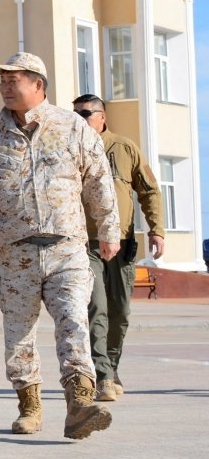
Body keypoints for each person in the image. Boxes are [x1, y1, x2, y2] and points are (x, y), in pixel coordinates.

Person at [0, 52, 119, 440]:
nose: (6, 88)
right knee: (19, 332)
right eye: (3, 82)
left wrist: (109, 229)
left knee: (74, 320)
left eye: (15, 81)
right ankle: (30, 405)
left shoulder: (74, 128)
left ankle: (80, 402)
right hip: (14, 252)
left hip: (68, 249)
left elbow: (99, 181)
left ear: (38, 85)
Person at [72, 93, 165, 401]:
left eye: (85, 113)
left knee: (120, 310)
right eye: (75, 114)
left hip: (123, 243)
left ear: (102, 117)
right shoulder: (68, 150)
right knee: (96, 307)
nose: (80, 119)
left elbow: (149, 190)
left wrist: (157, 231)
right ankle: (102, 377)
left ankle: (110, 367)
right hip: (86, 245)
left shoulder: (124, 148)